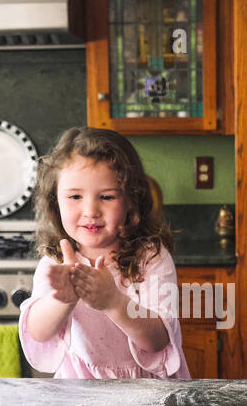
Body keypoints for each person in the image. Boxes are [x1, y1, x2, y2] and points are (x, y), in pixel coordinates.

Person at [19, 127, 191, 380]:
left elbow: (158, 340)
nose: (91, 210)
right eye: (75, 196)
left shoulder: (151, 258)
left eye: (107, 197)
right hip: (80, 389)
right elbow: (38, 332)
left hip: (147, 391)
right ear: (55, 201)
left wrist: (113, 302)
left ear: (132, 199)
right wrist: (61, 301)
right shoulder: (55, 262)